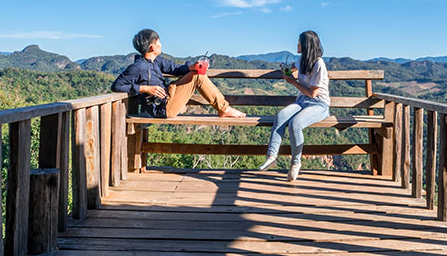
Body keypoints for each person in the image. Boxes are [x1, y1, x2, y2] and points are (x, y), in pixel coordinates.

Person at [111, 29, 246, 119]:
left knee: (196, 72)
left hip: (168, 96)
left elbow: (175, 68)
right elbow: (117, 86)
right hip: (163, 108)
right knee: (198, 76)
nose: (161, 44)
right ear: (152, 47)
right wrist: (145, 88)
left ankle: (223, 108)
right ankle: (224, 109)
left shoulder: (156, 61)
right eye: (158, 42)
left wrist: (192, 66)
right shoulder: (138, 67)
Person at [258, 30, 330, 182]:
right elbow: (291, 68)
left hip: (319, 104)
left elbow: (313, 93)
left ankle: (295, 163)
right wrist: (285, 68)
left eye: (299, 42)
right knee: (281, 116)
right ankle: (271, 157)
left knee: (295, 124)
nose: (297, 44)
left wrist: (292, 81)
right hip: (302, 101)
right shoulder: (302, 60)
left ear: (306, 44)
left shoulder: (319, 64)